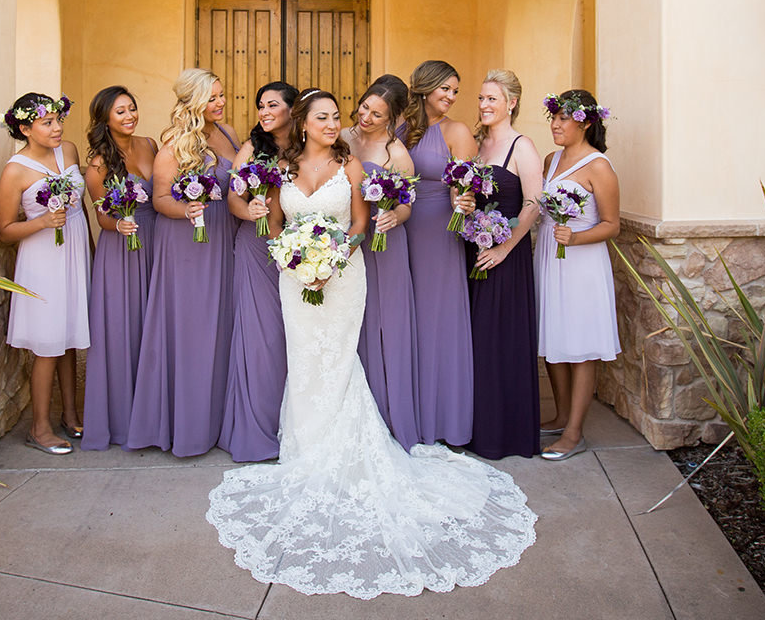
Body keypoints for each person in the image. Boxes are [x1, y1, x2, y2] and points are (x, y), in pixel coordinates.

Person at [207, 89, 537, 599]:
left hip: (342, 275)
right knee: (304, 360)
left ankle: (344, 448)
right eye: (322, 117)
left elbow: (360, 225)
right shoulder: (281, 169)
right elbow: (271, 224)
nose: (332, 123)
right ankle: (306, 449)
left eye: (336, 116)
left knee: (338, 360)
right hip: (294, 278)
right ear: (302, 122)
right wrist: (291, 259)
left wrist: (331, 260)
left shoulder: (354, 166)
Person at [125, 68, 241, 456]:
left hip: (221, 239)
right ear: (193, 102)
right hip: (186, 243)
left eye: (221, 95)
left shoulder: (227, 134)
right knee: (190, 329)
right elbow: (159, 200)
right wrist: (187, 210)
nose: (220, 103)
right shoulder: (174, 144)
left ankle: (216, 421)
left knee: (219, 326)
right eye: (212, 98)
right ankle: (185, 424)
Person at [0, 92, 91, 456]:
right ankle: (39, 428)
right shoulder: (15, 170)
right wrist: (39, 223)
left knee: (67, 337)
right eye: (47, 122)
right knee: (48, 342)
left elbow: (79, 204)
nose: (57, 128)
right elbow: (6, 230)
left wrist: (91, 252)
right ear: (25, 128)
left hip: (75, 249)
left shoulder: (67, 151)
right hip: (42, 258)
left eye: (58, 119)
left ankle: (70, 414)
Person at [536, 88, 620, 461]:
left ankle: (574, 434)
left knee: (582, 345)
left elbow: (613, 225)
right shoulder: (551, 160)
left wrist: (577, 236)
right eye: (553, 117)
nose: (555, 124)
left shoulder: (599, 166)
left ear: (583, 124)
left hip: (582, 262)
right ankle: (561, 414)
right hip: (549, 258)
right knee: (554, 337)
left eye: (563, 118)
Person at [463, 70, 542, 459]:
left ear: (511, 103)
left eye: (492, 98)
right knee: (476, 342)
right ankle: (475, 426)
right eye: (481, 98)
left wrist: (505, 248)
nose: (484, 105)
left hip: (504, 259)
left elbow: (532, 203)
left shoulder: (521, 146)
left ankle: (504, 433)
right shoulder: (477, 146)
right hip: (473, 252)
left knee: (499, 343)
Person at [219, 81, 299, 462]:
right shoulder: (252, 149)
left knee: (294, 337)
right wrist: (247, 210)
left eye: (272, 105)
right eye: (260, 106)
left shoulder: (309, 146)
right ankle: (258, 428)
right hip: (256, 248)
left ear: (292, 109)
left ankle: (297, 426)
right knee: (261, 339)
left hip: (300, 251)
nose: (264, 112)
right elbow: (234, 197)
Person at [342, 74, 423, 449]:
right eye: (364, 108)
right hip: (348, 243)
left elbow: (408, 204)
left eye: (377, 114)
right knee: (351, 324)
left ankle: (389, 413)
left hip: (384, 246)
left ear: (391, 118)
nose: (367, 117)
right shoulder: (341, 138)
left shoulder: (397, 154)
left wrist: (396, 216)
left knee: (384, 322)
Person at [400, 60, 477, 446]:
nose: (450, 97)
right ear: (425, 88)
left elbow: (464, 184)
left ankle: (444, 418)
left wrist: (463, 200)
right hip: (398, 229)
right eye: (445, 88)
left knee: (436, 316)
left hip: (438, 230)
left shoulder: (457, 131)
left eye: (455, 91)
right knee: (404, 315)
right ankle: (405, 412)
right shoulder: (399, 126)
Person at [81, 86, 158, 451]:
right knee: (123, 330)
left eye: (132, 108)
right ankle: (122, 421)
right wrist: (119, 224)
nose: (129, 116)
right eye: (120, 112)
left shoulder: (150, 144)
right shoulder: (98, 162)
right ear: (105, 119)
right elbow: (100, 213)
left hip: (156, 242)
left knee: (152, 327)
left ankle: (153, 414)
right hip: (122, 249)